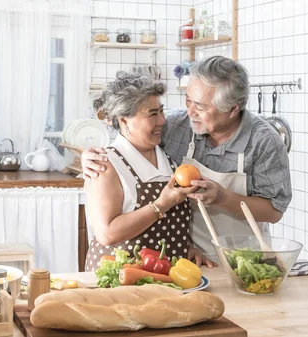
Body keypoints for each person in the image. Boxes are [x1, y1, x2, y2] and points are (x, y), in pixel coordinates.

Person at [82, 56, 292, 267]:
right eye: (188, 100)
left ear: (233, 109)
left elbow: (274, 211)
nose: (190, 112)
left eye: (200, 106)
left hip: (245, 259)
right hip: (189, 262)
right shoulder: (177, 126)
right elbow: (133, 134)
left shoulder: (265, 142)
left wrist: (222, 197)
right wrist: (88, 156)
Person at [83, 70, 200, 271]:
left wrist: (186, 247)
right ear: (124, 120)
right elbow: (107, 234)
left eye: (161, 111)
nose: (162, 120)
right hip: (120, 279)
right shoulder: (105, 164)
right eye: (152, 114)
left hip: (165, 276)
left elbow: (169, 227)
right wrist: (161, 204)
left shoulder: (169, 157)